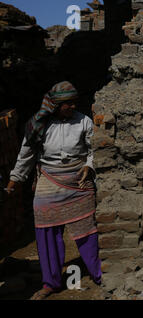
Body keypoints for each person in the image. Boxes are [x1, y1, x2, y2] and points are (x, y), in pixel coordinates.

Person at [6, 81, 101, 300]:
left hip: (78, 180)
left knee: (86, 229)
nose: (72, 107)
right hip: (48, 181)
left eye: (74, 103)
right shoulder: (38, 125)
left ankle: (98, 273)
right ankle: (51, 282)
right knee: (47, 232)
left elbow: (94, 149)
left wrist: (89, 165)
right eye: (67, 104)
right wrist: (14, 182)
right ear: (55, 105)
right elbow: (26, 156)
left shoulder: (83, 122)